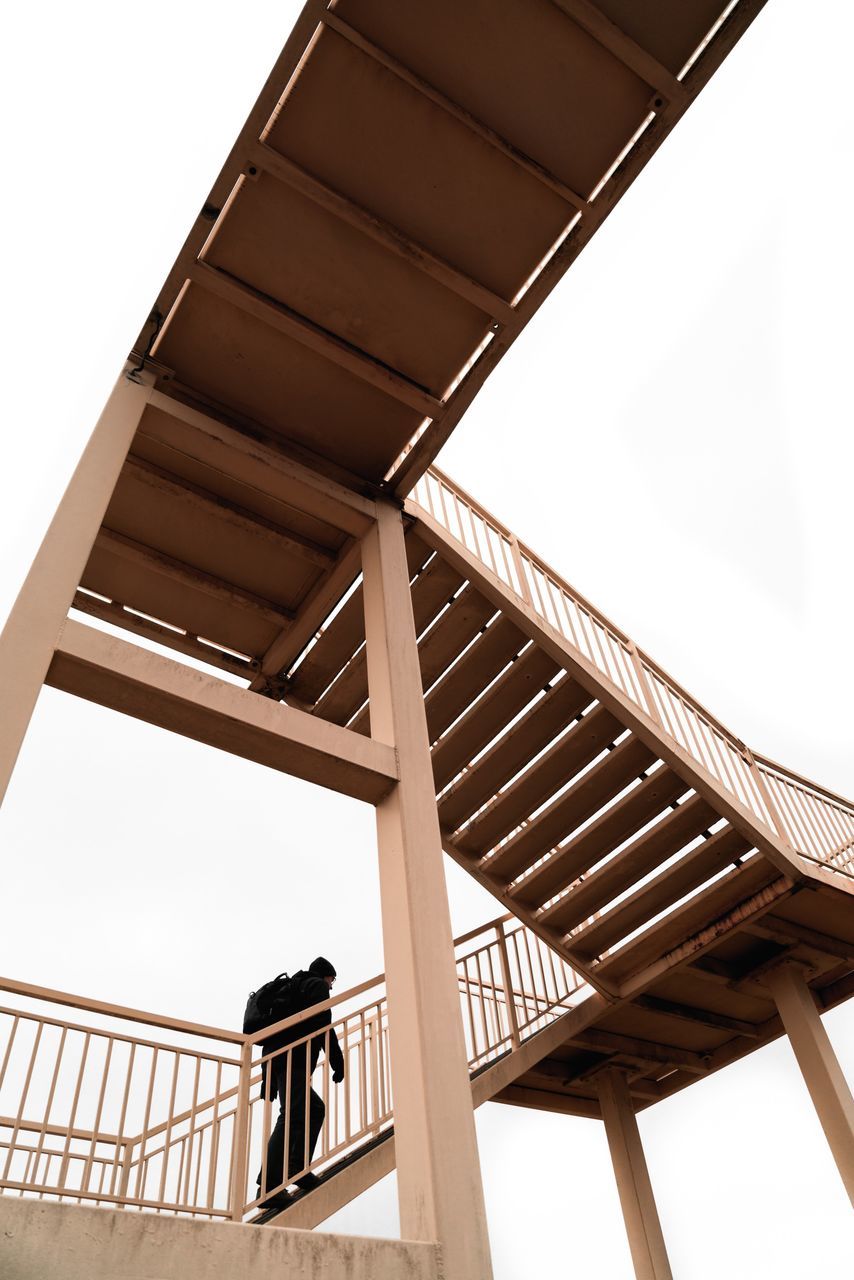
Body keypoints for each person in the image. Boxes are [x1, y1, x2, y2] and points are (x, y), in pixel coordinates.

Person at [256, 957, 345, 1209]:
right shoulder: (315, 986)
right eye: (332, 980)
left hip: (283, 1060)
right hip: (293, 1059)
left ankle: (297, 1167)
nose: (331, 986)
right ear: (326, 975)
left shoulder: (298, 987)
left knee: (314, 1109)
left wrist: (269, 1077)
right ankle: (270, 1186)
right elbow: (323, 1025)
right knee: (292, 1116)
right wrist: (337, 1061)